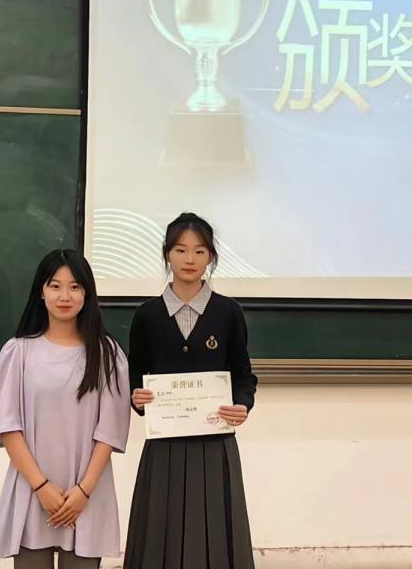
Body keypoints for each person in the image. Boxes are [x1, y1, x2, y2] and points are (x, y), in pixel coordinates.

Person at [123, 212, 258, 569]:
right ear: (167, 253)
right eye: (180, 250)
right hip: (164, 447)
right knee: (160, 537)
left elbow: (244, 376)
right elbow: (135, 375)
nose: (190, 259)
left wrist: (242, 404)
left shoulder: (228, 312)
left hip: (215, 445)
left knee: (215, 537)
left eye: (200, 251)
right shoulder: (147, 315)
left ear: (211, 257)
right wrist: (137, 397)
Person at [0, 249, 130, 568]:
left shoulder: (107, 354)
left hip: (87, 495)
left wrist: (83, 491)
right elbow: (9, 427)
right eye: (55, 286)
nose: (65, 296)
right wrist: (41, 487)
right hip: (33, 490)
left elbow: (110, 431)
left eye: (75, 286)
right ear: (41, 292)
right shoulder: (18, 352)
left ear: (87, 294)